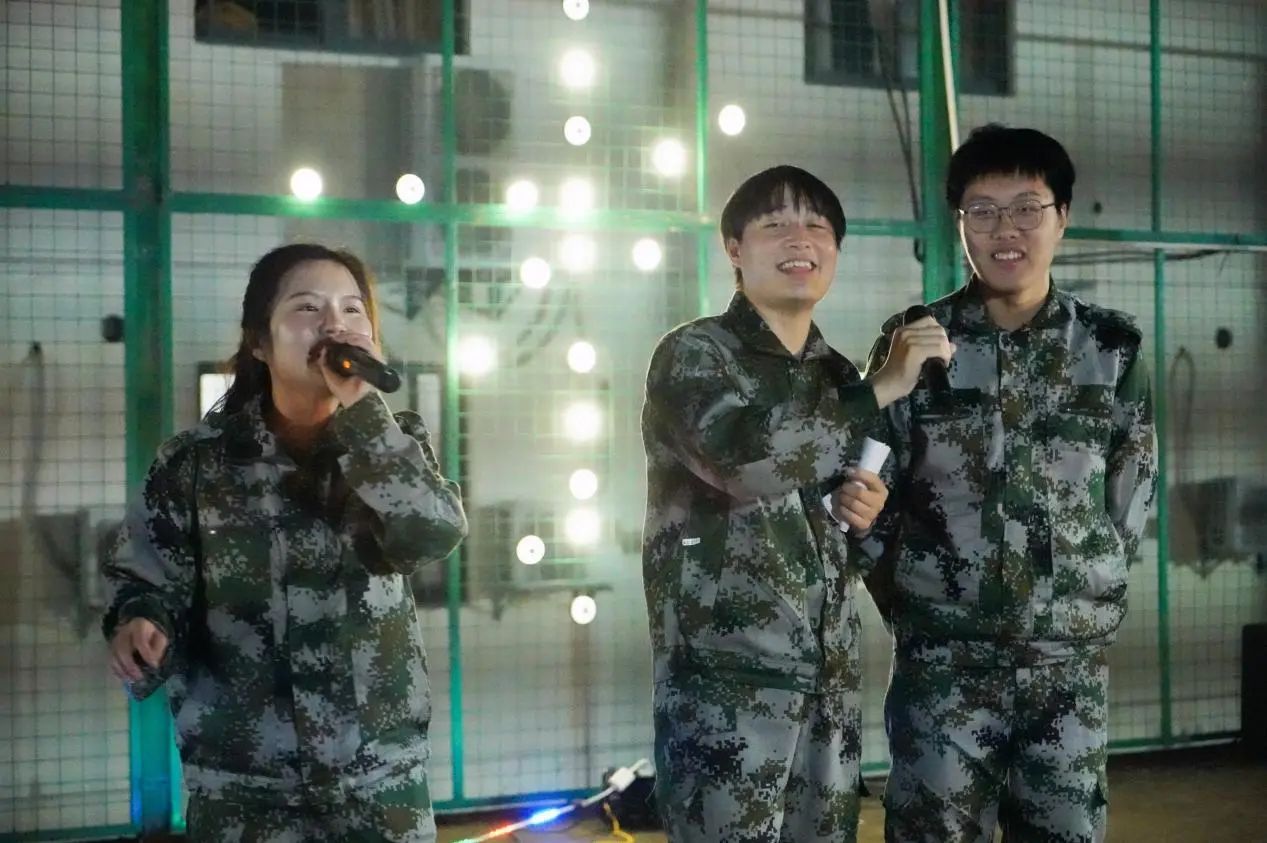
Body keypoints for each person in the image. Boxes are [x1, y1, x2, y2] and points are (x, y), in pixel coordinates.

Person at [103, 243, 468, 841]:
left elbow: (434, 532)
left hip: (379, 786)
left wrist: (364, 413)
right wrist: (141, 621)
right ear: (259, 342)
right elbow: (145, 580)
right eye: (307, 307)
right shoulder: (194, 463)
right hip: (244, 796)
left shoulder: (392, 443)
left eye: (352, 309)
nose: (334, 325)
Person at [857, 125, 1158, 842]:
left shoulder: (1110, 348)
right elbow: (869, 495)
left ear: (1062, 216)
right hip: (943, 666)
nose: (1005, 230)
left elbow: (1130, 492)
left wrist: (1081, 596)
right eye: (982, 211)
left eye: (1027, 208)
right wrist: (918, 601)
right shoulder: (915, 342)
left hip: (1067, 667)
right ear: (959, 222)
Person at [640, 165, 952, 842]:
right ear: (733, 247)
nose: (799, 239)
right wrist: (879, 387)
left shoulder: (833, 374)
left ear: (835, 249)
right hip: (727, 683)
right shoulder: (696, 354)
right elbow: (742, 462)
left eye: (816, 226)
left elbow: (844, 536)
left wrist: (862, 511)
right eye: (775, 224)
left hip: (828, 685)